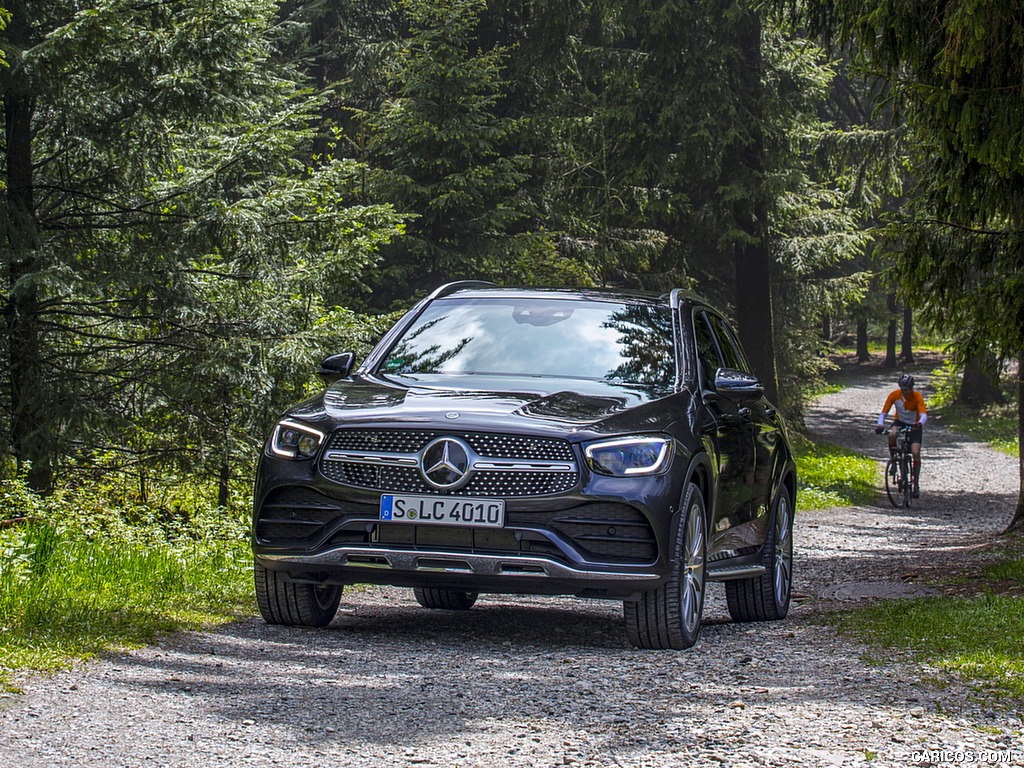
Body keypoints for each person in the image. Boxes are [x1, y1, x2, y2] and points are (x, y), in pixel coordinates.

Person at [875, 373, 927, 498]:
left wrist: (920, 423)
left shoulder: (917, 396)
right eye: (903, 389)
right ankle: (894, 461)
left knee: (915, 452)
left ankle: (916, 484)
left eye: (907, 390)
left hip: (914, 425)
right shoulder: (894, 395)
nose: (905, 392)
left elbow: (924, 414)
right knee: (891, 435)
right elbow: (884, 412)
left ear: (912, 388)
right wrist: (880, 424)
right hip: (900, 422)